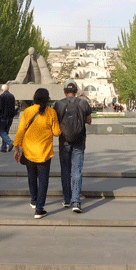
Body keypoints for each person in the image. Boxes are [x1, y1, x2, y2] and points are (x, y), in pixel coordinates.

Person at [13, 88, 61, 219]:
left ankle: (34, 200)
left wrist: (16, 148)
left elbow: (20, 130)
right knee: (43, 180)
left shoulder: (27, 111)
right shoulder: (51, 112)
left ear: (34, 98)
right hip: (44, 152)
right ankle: (40, 209)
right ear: (47, 98)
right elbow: (57, 132)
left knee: (31, 176)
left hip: (28, 150)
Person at [53, 80, 92, 213]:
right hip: (79, 140)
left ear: (64, 91)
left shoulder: (58, 104)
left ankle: (66, 199)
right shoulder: (83, 103)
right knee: (77, 170)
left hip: (64, 141)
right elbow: (89, 121)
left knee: (65, 170)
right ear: (76, 91)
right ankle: (76, 201)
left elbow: (55, 123)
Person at [0, 84, 16, 153]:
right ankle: (3, 148)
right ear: (8, 89)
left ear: (2, 90)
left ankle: (9, 142)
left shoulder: (1, 96)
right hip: (10, 118)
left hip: (3, 117)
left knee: (1, 131)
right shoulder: (12, 96)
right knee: (5, 132)